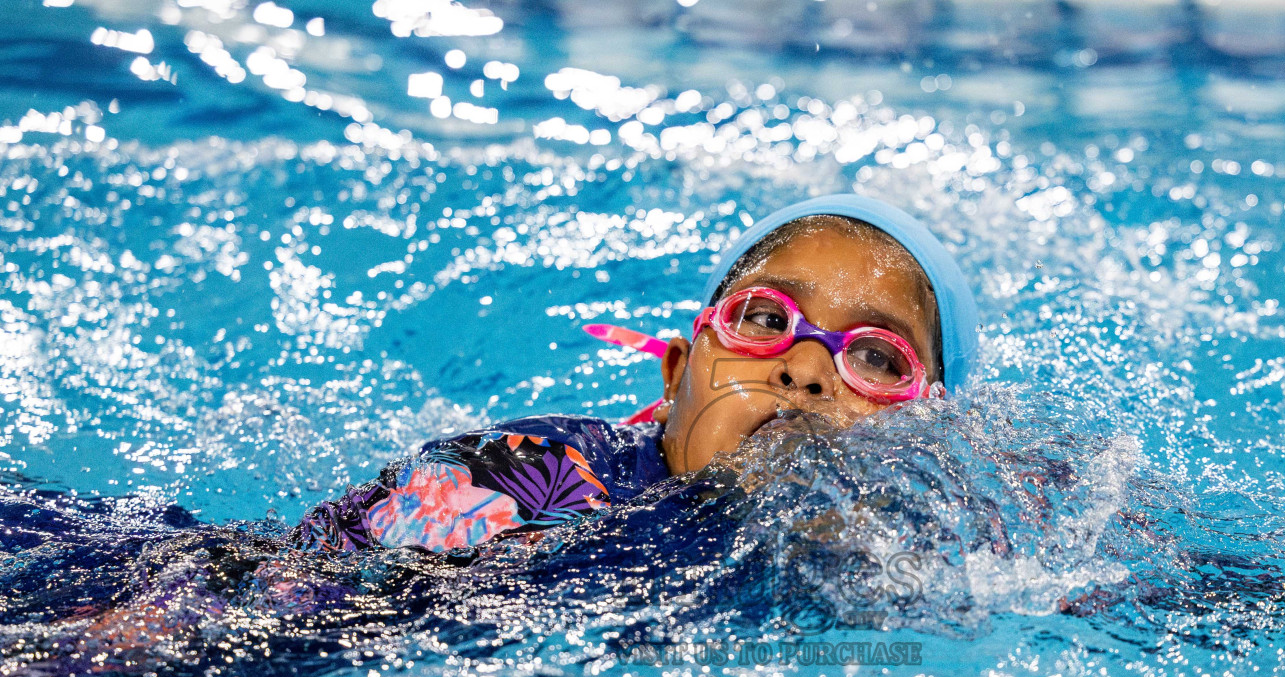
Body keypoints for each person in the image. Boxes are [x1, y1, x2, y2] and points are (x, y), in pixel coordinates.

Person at [290, 194, 979, 554]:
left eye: (876, 359)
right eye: (766, 320)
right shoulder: (534, 476)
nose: (804, 369)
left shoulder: (934, 551)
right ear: (677, 377)